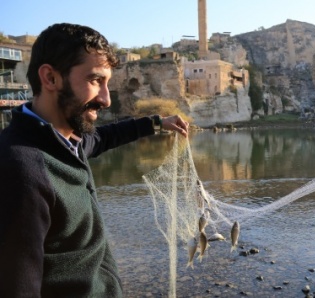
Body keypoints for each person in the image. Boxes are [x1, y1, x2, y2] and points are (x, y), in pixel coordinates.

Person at [0, 23, 189, 297]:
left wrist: (157, 123)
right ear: (51, 78)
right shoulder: (19, 169)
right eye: (95, 80)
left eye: (107, 83)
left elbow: (103, 138)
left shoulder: (66, 140)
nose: (106, 99)